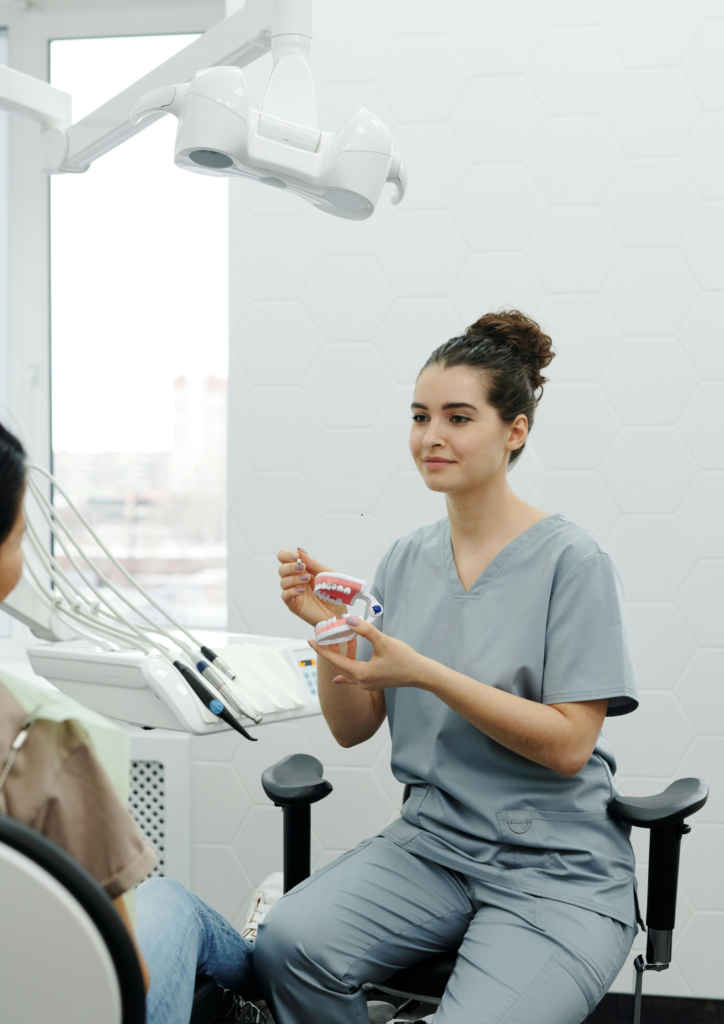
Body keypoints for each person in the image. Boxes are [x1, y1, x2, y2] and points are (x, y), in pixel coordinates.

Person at [257, 310, 640, 1024]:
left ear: (514, 430)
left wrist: (427, 673)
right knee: (288, 944)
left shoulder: (573, 563)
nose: (431, 437)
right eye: (420, 416)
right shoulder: (405, 559)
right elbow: (354, 728)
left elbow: (568, 746)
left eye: (458, 418)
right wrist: (329, 632)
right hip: (432, 846)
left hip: (555, 867)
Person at [0, 422, 262, 1024]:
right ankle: (264, 997)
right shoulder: (41, 741)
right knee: (167, 900)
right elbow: (122, 977)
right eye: (19, 537)